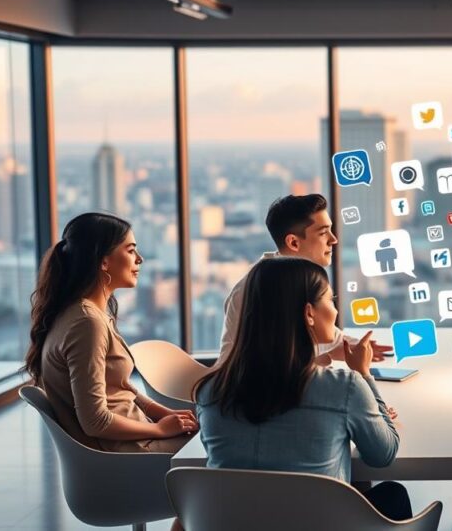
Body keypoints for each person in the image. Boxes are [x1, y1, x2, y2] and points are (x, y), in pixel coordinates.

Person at [194, 258, 412, 520]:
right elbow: (383, 455)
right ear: (309, 313)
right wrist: (364, 374)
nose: (335, 311)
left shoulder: (210, 392)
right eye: (331, 300)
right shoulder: (345, 388)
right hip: (319, 523)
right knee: (393, 495)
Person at [24, 213, 198, 453]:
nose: (140, 259)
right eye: (130, 250)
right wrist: (159, 429)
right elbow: (95, 421)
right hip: (129, 450)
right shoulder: (86, 323)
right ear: (103, 262)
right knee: (224, 441)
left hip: (134, 437)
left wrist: (164, 414)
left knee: (218, 433)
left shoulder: (80, 313)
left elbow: (118, 387)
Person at [218, 194, 389, 365]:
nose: (333, 239)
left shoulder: (295, 279)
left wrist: (354, 347)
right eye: (323, 233)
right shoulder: (263, 288)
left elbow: (326, 341)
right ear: (293, 242)